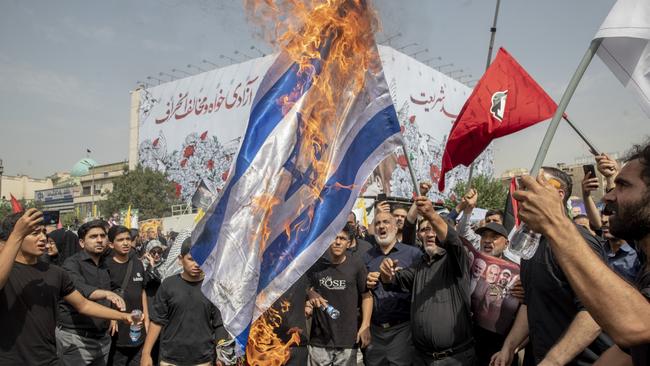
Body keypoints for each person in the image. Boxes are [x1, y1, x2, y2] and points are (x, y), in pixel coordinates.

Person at [513, 145, 650, 366]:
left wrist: (555, 222)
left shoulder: (577, 239)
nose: (607, 197)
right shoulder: (645, 260)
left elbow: (638, 327)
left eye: (622, 185)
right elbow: (629, 351)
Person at [491, 167, 611, 366]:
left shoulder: (580, 242)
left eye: (535, 186)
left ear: (558, 194)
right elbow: (531, 302)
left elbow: (595, 313)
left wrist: (553, 361)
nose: (524, 194)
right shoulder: (531, 243)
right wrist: (509, 347)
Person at [0, 209, 136, 365]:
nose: (43, 238)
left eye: (44, 232)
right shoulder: (6, 271)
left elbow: (83, 305)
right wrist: (17, 234)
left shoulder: (55, 273)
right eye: (34, 233)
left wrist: (123, 316)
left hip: (49, 359)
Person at [379, 196, 475, 365]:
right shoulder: (420, 264)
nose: (430, 234)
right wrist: (386, 272)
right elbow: (395, 280)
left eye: (434, 229)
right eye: (424, 230)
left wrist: (431, 213)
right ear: (419, 236)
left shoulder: (456, 259)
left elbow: (453, 241)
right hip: (421, 358)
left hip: (454, 359)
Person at [57, 219, 132, 366]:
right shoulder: (71, 264)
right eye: (93, 236)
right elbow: (80, 289)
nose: (99, 240)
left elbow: (114, 288)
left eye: (102, 236)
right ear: (81, 242)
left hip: (102, 339)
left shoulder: (104, 264)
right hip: (76, 340)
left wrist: (112, 314)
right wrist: (106, 294)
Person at [141, 239, 225, 366]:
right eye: (191, 259)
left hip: (203, 360)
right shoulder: (168, 285)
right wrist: (146, 353)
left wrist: (222, 353)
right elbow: (157, 321)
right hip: (170, 359)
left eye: (202, 259)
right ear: (180, 259)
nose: (197, 264)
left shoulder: (212, 288)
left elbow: (219, 324)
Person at [307, 226, 372, 366]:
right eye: (334, 238)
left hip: (347, 339)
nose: (337, 242)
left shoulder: (356, 265)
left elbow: (367, 296)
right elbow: (304, 288)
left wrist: (365, 325)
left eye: (342, 239)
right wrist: (310, 293)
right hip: (319, 340)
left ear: (349, 243)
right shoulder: (317, 265)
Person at [364, 211, 422, 365]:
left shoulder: (413, 254)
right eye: (377, 223)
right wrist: (366, 282)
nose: (381, 226)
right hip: (375, 331)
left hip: (402, 330)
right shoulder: (366, 257)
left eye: (386, 222)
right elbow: (362, 293)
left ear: (396, 227)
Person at [581, 161, 640, 282]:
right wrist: (586, 195)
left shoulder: (639, 253)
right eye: (603, 215)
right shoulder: (600, 250)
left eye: (624, 185)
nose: (604, 220)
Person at [106, 225, 148, 366]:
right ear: (111, 244)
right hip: (116, 333)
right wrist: (112, 317)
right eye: (120, 240)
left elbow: (142, 292)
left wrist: (147, 320)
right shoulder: (105, 267)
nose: (125, 243)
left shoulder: (138, 264)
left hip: (138, 330)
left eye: (128, 239)